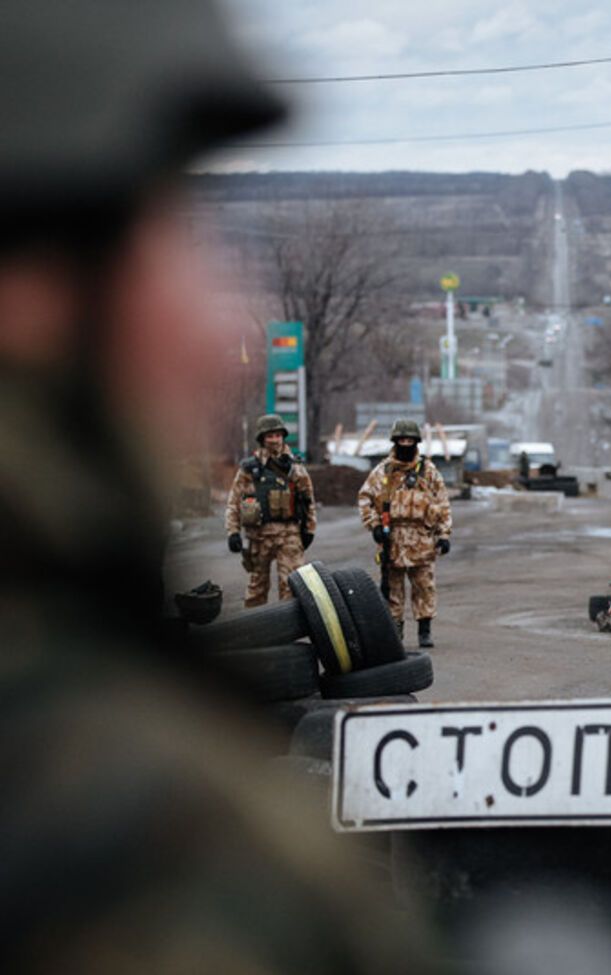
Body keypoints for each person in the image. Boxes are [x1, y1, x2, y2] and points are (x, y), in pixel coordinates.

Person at [0, 2, 440, 970]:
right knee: (269, 610)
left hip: (365, 554)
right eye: (169, 235)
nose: (215, 326)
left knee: (328, 610)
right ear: (30, 291)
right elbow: (300, 503)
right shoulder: (112, 816)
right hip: (288, 554)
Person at [358, 419, 452, 648]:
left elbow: (442, 503)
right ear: (395, 441)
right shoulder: (383, 471)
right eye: (402, 440)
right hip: (394, 538)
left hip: (422, 539)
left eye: (410, 440)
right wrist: (375, 526)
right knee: (392, 589)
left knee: (424, 587)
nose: (406, 444)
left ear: (416, 442)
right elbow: (365, 499)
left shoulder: (428, 472)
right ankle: (395, 631)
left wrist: (444, 535)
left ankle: (424, 630)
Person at [224, 413, 317, 607]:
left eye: (277, 435)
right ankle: (255, 633)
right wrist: (233, 532)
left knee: (292, 588)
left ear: (283, 436)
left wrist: (309, 530)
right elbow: (234, 502)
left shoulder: (296, 467)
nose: (274, 440)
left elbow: (308, 501)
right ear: (262, 439)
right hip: (259, 537)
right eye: (269, 436)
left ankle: (287, 632)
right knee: (256, 590)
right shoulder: (249, 468)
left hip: (289, 535)